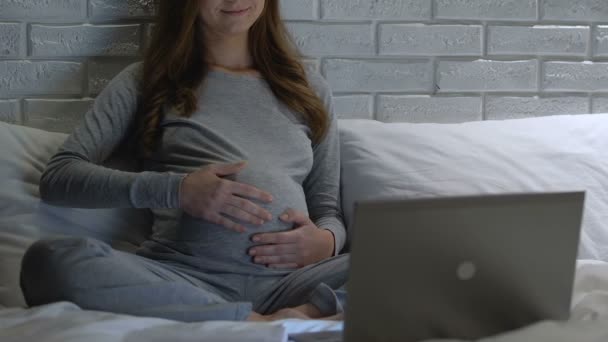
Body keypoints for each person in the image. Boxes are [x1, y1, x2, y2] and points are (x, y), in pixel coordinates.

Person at [19, 0, 348, 322]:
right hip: (186, 279)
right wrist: (177, 189)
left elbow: (327, 209)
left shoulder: (307, 87)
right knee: (48, 260)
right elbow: (59, 177)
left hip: (292, 285)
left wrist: (327, 242)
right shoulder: (146, 81)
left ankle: (305, 314)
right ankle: (248, 322)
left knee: (397, 256)